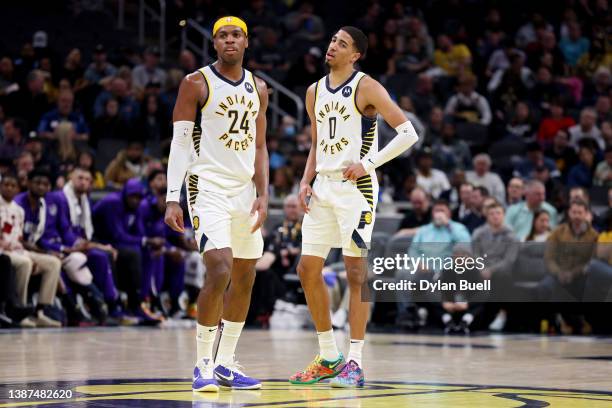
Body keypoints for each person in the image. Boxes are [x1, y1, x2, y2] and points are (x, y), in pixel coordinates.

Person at [290, 26, 419, 388]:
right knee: (307, 269)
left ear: (356, 55)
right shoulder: (313, 91)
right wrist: (304, 181)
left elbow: (409, 133)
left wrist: (369, 163)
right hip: (323, 187)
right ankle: (329, 356)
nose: (333, 46)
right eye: (333, 40)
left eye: (342, 44)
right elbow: (316, 144)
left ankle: (356, 362)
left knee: (355, 271)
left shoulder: (366, 86)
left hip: (356, 189)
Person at [163, 16, 269, 392]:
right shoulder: (195, 83)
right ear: (214, 43)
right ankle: (203, 363)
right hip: (205, 185)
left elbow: (260, 146)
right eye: (222, 36)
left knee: (245, 275)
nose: (229, 40)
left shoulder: (259, 87)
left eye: (235, 35)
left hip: (244, 191)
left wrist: (264, 192)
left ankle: (225, 364)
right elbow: (178, 143)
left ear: (246, 42)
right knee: (219, 268)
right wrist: (171, 197)